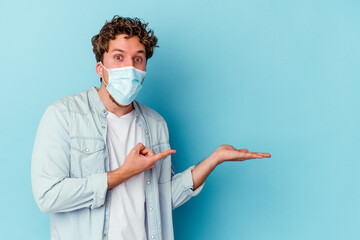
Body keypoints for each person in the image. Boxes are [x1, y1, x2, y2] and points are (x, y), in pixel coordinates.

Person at [31, 15, 271, 240]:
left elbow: (162, 199)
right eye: (118, 57)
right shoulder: (64, 115)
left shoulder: (155, 123)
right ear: (99, 68)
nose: (129, 66)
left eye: (138, 58)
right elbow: (47, 196)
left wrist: (214, 159)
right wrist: (124, 173)